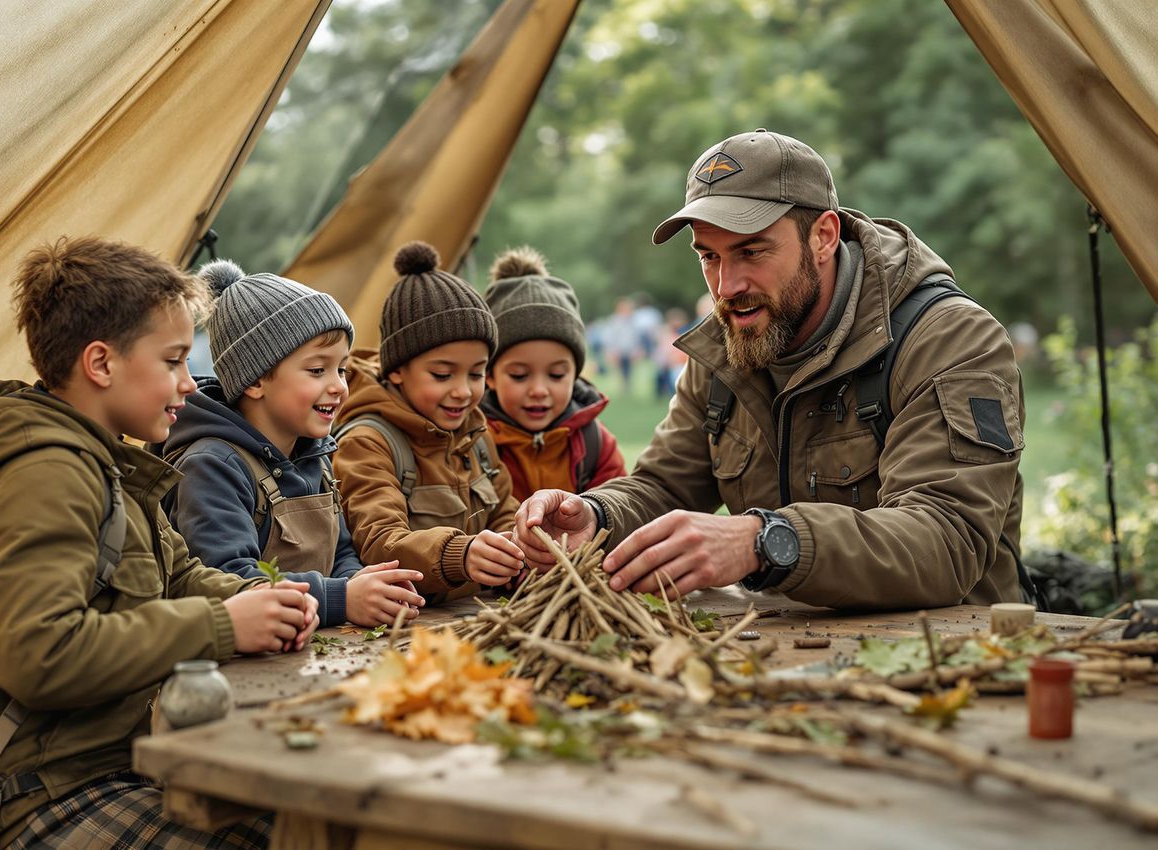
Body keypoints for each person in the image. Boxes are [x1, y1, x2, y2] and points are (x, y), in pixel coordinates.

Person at [0, 237, 319, 849]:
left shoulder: (111, 468)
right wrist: (224, 626)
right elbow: (42, 657)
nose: (189, 384)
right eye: (173, 361)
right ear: (101, 364)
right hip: (39, 799)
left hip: (117, 765)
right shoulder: (46, 477)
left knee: (319, 826)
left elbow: (179, 577)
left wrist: (270, 598)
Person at [515, 129, 1026, 610]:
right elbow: (665, 486)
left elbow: (948, 542)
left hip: (956, 659)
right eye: (709, 257)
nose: (726, 285)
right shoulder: (730, 341)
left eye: (751, 251)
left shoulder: (947, 340)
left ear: (824, 237)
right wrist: (596, 516)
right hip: (787, 655)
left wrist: (766, 541)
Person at [163, 261, 425, 628]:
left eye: (342, 369)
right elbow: (230, 579)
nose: (338, 386)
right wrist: (340, 599)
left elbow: (342, 552)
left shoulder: (315, 455)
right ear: (254, 381)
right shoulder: (212, 465)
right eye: (318, 370)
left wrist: (361, 584)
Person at [333, 242, 523, 601]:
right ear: (399, 371)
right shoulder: (367, 441)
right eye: (442, 375)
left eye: (477, 374)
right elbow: (379, 541)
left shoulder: (475, 434)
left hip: (473, 619)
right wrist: (458, 556)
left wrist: (516, 547)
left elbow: (501, 508)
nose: (463, 392)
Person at [480, 246, 626, 503]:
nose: (539, 390)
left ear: (576, 375)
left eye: (557, 375)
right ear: (488, 375)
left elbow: (621, 511)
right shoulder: (469, 443)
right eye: (519, 375)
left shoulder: (595, 444)